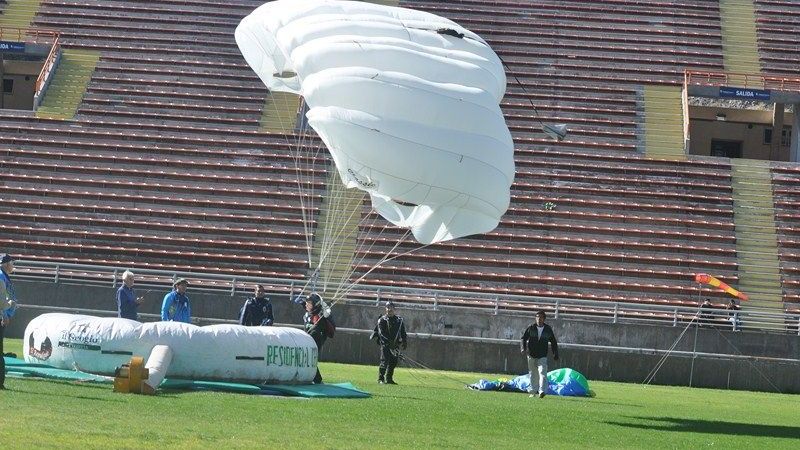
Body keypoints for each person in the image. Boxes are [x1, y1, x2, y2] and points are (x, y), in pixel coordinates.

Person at [521, 311, 559, 398]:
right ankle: (533, 391)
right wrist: (523, 348)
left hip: (542, 355)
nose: (539, 319)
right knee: (533, 374)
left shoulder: (548, 329)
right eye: (537, 317)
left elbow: (553, 342)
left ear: (544, 319)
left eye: (541, 317)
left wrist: (555, 353)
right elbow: (523, 338)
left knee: (542, 373)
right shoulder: (531, 328)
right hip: (531, 355)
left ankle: (542, 391)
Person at [370, 301, 407, 384]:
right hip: (385, 344)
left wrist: (404, 341)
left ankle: (389, 378)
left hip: (395, 344)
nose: (389, 309)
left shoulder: (399, 320)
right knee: (384, 360)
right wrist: (389, 343)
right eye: (387, 307)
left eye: (391, 307)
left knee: (393, 361)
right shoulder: (382, 320)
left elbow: (403, 332)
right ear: (385, 309)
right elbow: (381, 333)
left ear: (394, 309)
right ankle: (380, 379)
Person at [303, 293, 334, 384]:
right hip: (307, 339)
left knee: (310, 358)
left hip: (318, 338)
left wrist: (324, 319)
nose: (306, 305)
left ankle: (317, 379)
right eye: (306, 302)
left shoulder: (323, 315)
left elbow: (331, 332)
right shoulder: (306, 315)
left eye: (309, 303)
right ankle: (314, 378)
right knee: (307, 358)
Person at [0, 254, 19, 390]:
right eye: (12, 262)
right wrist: (4, 314)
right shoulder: (1, 277)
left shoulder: (3, 276)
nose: (13, 265)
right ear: (6, 264)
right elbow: (0, 299)